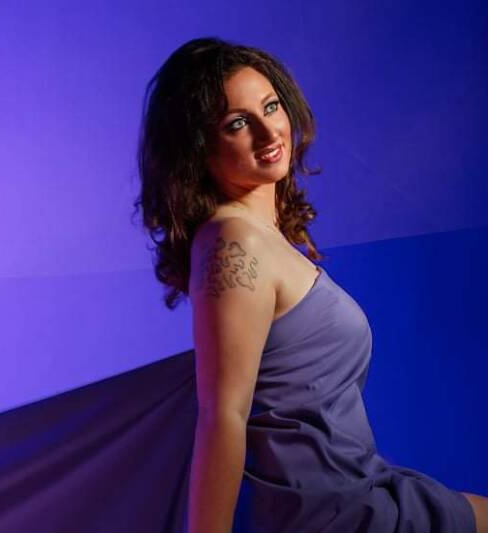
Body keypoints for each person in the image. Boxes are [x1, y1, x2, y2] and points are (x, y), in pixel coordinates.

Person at [133, 36, 487, 532]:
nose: (268, 131)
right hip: (329, 513)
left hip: (358, 488)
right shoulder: (234, 242)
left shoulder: (260, 237)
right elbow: (223, 415)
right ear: (198, 147)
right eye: (237, 123)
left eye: (270, 107)